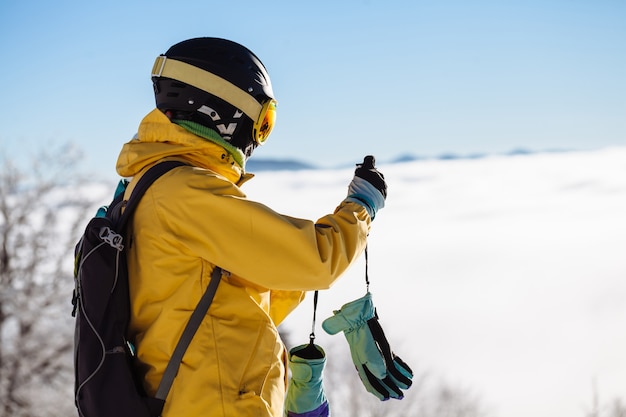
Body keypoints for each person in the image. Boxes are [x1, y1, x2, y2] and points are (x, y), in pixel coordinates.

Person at [115, 37, 387, 417]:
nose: (258, 138)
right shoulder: (186, 192)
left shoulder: (150, 186)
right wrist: (361, 209)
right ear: (223, 111)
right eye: (263, 122)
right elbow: (317, 259)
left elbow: (215, 303)